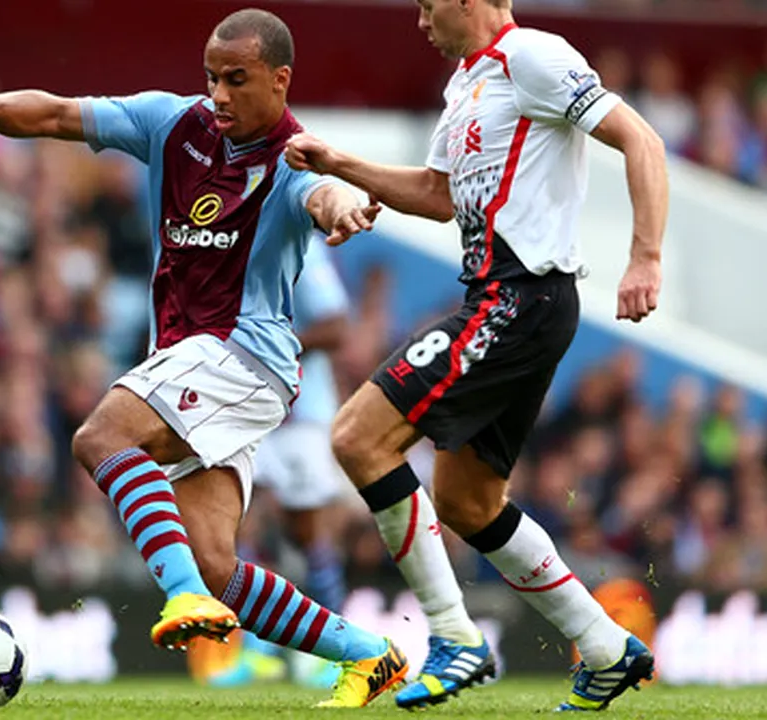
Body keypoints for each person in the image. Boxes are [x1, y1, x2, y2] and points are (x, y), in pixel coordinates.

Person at [0, 8, 407, 708]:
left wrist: (344, 209)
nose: (218, 93)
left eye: (236, 80)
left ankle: (179, 596)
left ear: (280, 81)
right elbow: (60, 115)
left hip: (239, 356)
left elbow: (325, 194)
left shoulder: (293, 157)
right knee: (217, 566)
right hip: (196, 362)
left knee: (100, 436)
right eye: (211, 77)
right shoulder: (170, 122)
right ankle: (370, 652)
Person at [285, 0, 668, 712]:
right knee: (466, 501)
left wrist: (644, 256)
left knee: (357, 436)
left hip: (520, 299)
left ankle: (455, 637)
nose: (420, 21)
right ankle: (608, 647)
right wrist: (343, 165)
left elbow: (641, 141)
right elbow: (434, 196)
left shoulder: (533, 57)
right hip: (505, 301)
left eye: (429, 6)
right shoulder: (465, 84)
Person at [216, 235, 354, 689]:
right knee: (243, 522)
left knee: (306, 530)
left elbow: (336, 326)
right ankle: (259, 650)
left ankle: (335, 650)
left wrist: (275, 347)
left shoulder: (302, 248)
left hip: (300, 412)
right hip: (244, 405)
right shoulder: (229, 245)